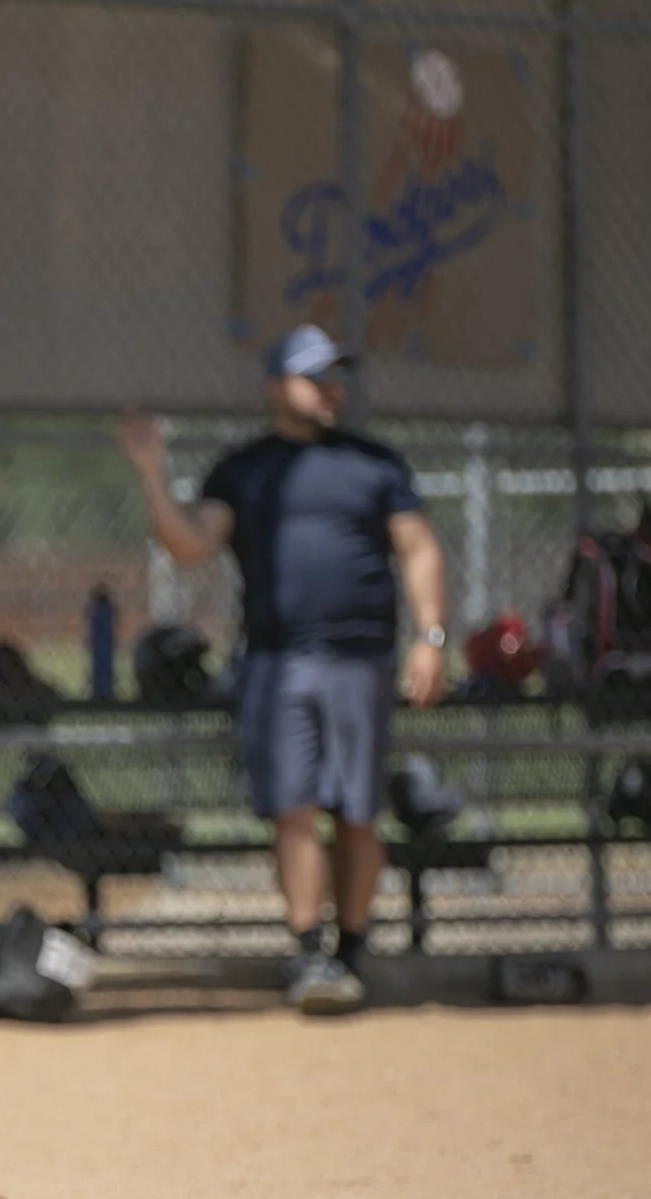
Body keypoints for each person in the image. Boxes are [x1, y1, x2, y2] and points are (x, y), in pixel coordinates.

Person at [118, 324, 449, 1015]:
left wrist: (431, 637)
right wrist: (152, 472)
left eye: (336, 377)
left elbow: (419, 550)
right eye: (314, 377)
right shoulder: (245, 469)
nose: (331, 389)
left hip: (362, 658)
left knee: (358, 813)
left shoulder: (374, 463)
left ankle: (352, 950)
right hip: (277, 661)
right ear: (275, 387)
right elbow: (188, 545)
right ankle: (308, 953)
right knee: (293, 809)